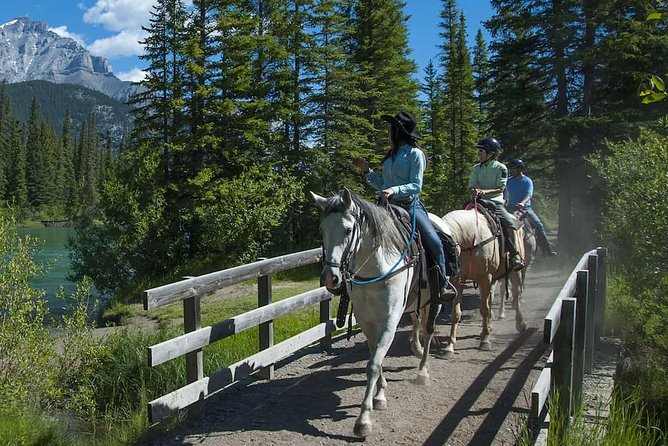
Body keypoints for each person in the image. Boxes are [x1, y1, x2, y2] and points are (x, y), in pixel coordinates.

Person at [353, 111, 457, 301]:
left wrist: (394, 190)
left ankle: (443, 281)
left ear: (398, 131)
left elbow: (416, 185)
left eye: (391, 128)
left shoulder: (415, 155)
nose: (388, 132)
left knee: (434, 240)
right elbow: (383, 184)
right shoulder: (391, 156)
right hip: (386, 207)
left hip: (410, 206)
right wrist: (367, 171)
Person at [467, 137, 525, 271]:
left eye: (481, 151)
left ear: (491, 153)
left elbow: (501, 188)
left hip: (495, 202)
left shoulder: (501, 168)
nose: (479, 154)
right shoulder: (476, 168)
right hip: (478, 201)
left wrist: (484, 192)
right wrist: (474, 190)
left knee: (510, 226)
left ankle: (516, 256)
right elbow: (471, 184)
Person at [505, 158, 557, 257]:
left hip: (525, 209)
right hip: (510, 209)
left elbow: (528, 195)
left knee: (538, 225)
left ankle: (547, 248)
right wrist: (504, 201)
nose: (511, 170)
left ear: (520, 169)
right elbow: (504, 193)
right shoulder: (508, 181)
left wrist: (522, 203)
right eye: (511, 168)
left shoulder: (527, 181)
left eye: (514, 168)